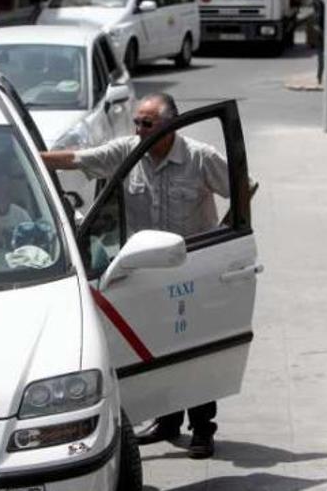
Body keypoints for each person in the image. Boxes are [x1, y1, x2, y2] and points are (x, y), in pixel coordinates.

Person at [40, 92, 234, 459]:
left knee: (193, 352)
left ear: (171, 125)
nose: (139, 129)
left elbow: (244, 188)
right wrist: (25, 159)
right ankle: (168, 421)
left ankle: (203, 429)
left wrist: (220, 243)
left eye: (147, 123)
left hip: (190, 269)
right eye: (137, 123)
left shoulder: (200, 158)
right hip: (145, 273)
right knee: (153, 349)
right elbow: (77, 159)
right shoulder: (127, 151)